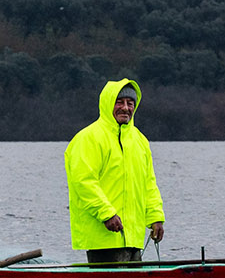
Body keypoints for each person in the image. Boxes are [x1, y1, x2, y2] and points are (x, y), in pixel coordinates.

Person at [65, 79, 165, 263]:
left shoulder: (140, 141)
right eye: (119, 102)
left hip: (134, 238)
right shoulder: (88, 138)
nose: (125, 108)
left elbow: (149, 184)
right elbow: (84, 182)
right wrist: (107, 214)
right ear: (108, 103)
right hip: (102, 238)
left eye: (130, 103)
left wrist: (155, 218)